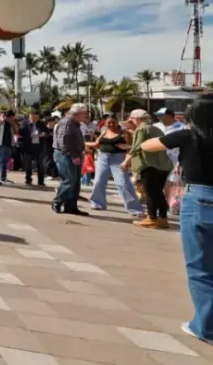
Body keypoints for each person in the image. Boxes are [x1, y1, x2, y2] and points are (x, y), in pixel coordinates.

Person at [140, 99, 213, 342]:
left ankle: (205, 327)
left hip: (200, 198)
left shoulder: (188, 136)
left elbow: (150, 145)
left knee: (200, 268)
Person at [123, 109, 173, 229]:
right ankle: (162, 218)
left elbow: (137, 147)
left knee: (150, 192)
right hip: (164, 164)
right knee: (158, 192)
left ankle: (151, 218)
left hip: (149, 164)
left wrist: (126, 161)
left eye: (131, 120)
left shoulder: (141, 129)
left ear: (137, 119)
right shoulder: (157, 129)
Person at [87, 115, 144, 217]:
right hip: (103, 158)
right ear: (105, 123)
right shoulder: (104, 131)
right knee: (98, 181)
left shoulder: (124, 133)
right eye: (108, 122)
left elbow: (131, 149)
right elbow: (96, 144)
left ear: (117, 122)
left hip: (119, 159)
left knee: (123, 183)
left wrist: (126, 162)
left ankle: (135, 209)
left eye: (113, 122)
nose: (111, 124)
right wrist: (81, 143)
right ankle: (97, 203)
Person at [51, 103, 90, 215]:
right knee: (69, 180)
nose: (86, 115)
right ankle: (57, 201)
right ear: (78, 114)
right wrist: (73, 156)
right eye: (84, 113)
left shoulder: (75, 123)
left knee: (76, 182)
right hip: (66, 155)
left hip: (74, 154)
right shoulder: (67, 123)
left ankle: (71, 206)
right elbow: (64, 142)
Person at [19, 110, 49, 186]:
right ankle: (28, 180)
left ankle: (41, 181)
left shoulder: (41, 124)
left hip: (39, 147)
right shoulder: (24, 123)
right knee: (28, 165)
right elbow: (20, 133)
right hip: (28, 147)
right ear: (30, 116)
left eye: (37, 117)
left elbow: (47, 133)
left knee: (41, 165)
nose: (36, 119)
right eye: (34, 117)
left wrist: (44, 134)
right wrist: (29, 135)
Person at [0, 110, 18, 185]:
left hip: (8, 144)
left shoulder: (11, 123)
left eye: (13, 117)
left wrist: (13, 124)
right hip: (0, 144)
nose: (12, 119)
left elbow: (16, 132)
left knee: (5, 162)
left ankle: (3, 177)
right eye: (11, 117)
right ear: (6, 116)